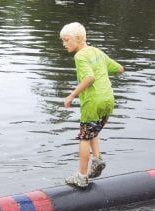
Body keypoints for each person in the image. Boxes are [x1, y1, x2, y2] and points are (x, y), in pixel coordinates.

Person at [59, 22, 124, 188]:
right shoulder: (97, 52)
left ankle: (81, 176)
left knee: (84, 136)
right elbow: (119, 68)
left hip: (93, 101)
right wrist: (102, 68)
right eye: (63, 41)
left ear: (79, 39)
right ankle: (97, 159)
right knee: (93, 130)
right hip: (108, 99)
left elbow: (89, 77)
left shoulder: (80, 56)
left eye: (66, 40)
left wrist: (72, 96)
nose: (64, 44)